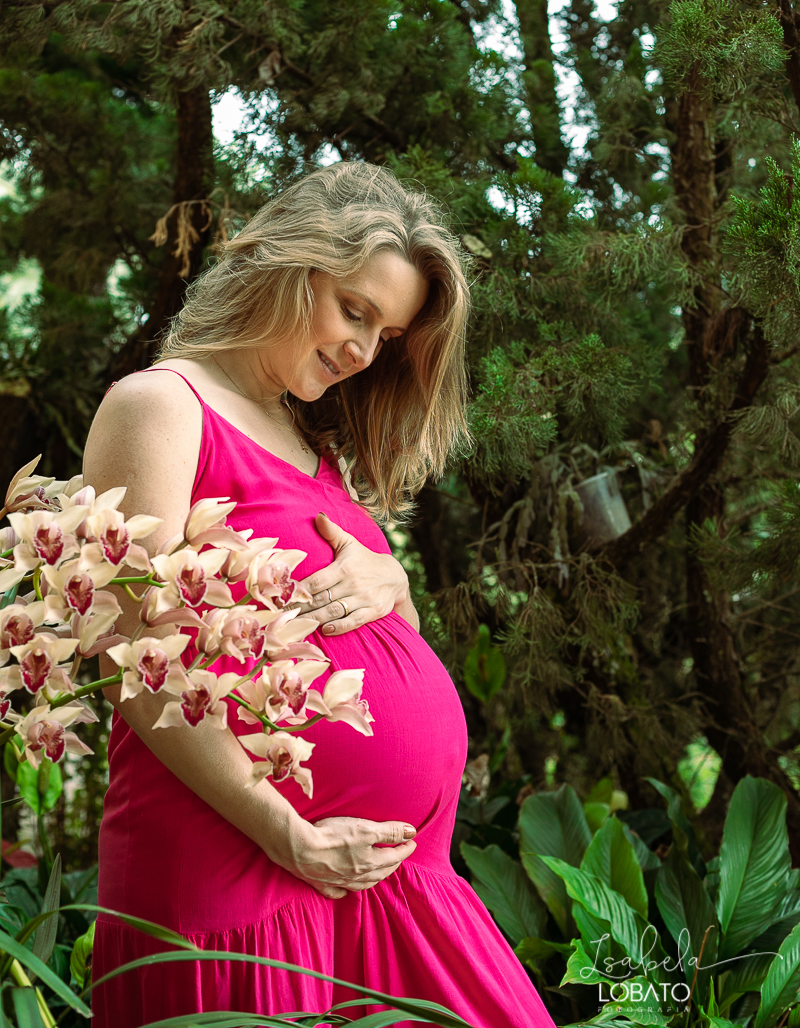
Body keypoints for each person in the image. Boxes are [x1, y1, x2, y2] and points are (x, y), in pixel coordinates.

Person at [84, 162, 554, 1028]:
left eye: (387, 334)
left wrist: (397, 585)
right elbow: (137, 662)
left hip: (385, 882)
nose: (363, 352)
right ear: (284, 263)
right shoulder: (162, 406)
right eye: (354, 310)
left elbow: (371, 631)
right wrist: (283, 830)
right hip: (242, 870)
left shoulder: (313, 443)